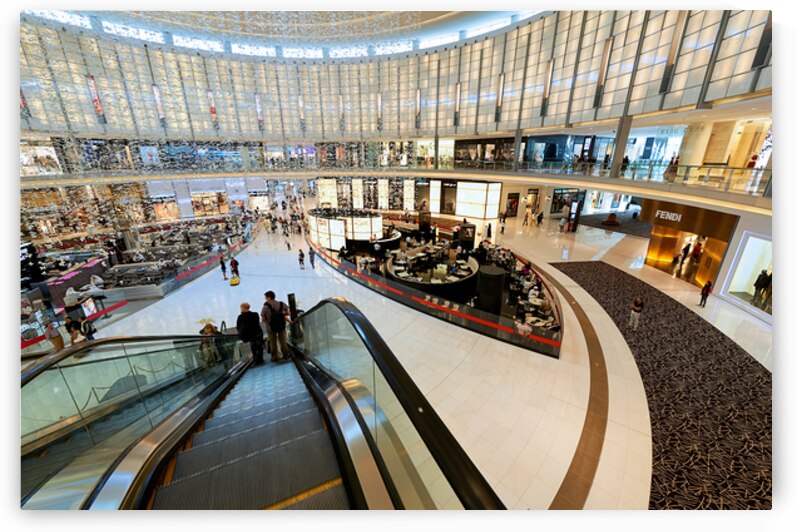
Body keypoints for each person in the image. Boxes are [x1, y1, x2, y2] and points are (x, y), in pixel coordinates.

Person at [262, 291, 290, 363]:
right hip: (281, 325)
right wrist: (282, 313)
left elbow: (263, 318)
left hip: (271, 327)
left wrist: (268, 323)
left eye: (266, 297)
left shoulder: (265, 306)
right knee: (283, 340)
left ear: (269, 297)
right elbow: (288, 313)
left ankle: (275, 357)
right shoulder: (281, 304)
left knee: (273, 342)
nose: (265, 298)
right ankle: (286, 355)